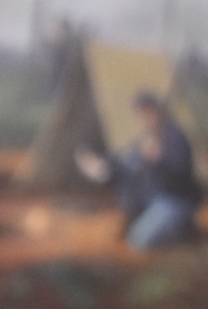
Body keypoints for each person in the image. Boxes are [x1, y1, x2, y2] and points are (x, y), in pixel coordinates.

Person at [78, 90, 202, 251]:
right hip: (155, 197)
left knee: (139, 241)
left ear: (157, 111)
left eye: (147, 112)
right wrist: (103, 166)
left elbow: (180, 176)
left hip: (175, 201)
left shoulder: (175, 138)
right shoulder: (149, 137)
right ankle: (144, 222)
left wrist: (158, 161)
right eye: (142, 114)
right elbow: (126, 161)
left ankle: (183, 228)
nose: (144, 118)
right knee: (125, 180)